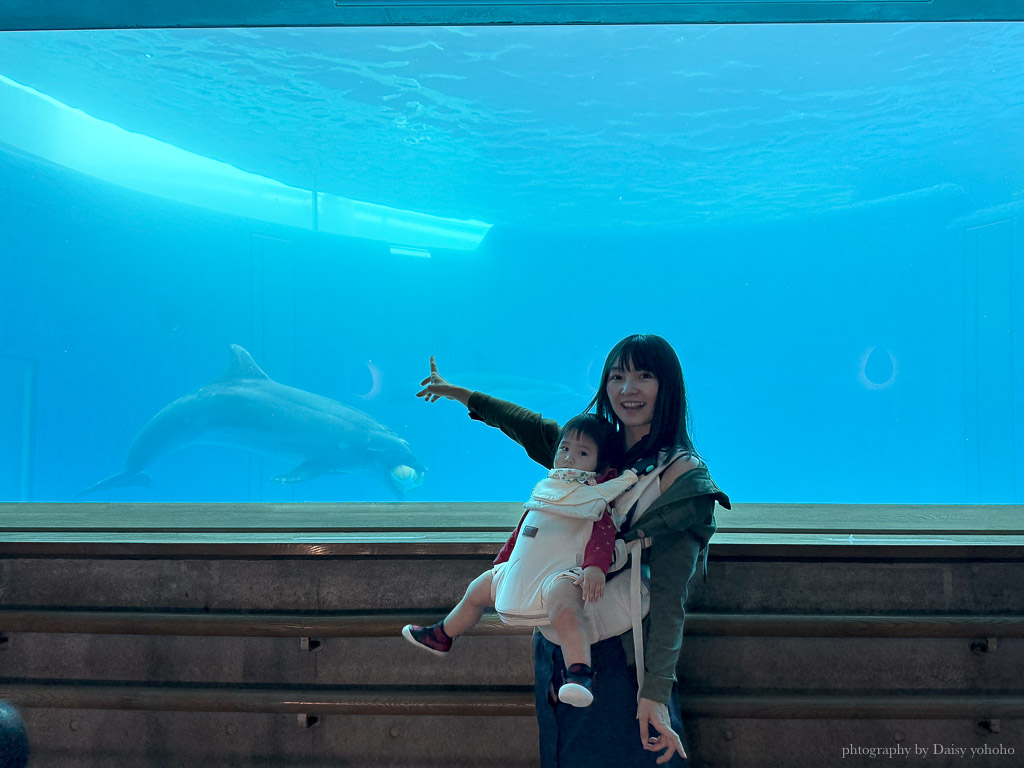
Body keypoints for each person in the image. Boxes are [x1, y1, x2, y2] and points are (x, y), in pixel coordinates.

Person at [416, 334, 730, 767]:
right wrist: (459, 393)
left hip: (623, 662)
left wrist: (654, 695)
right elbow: (532, 427)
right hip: (558, 646)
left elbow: (671, 596)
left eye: (644, 376)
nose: (627, 389)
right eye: (617, 377)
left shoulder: (682, 479)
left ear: (668, 386)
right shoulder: (593, 448)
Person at [402, 413, 639, 707]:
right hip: (522, 569)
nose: (569, 458)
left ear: (601, 463)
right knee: (477, 589)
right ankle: (442, 634)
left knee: (565, 606)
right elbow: (524, 530)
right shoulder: (547, 490)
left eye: (583, 453)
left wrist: (594, 568)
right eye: (564, 449)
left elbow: (602, 533)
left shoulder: (594, 496)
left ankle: (579, 672)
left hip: (559, 573)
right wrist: (503, 563)